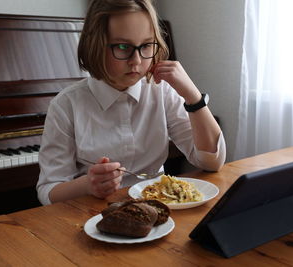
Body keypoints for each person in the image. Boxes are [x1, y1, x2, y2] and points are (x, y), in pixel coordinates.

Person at [36, 0, 226, 206]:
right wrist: (86, 185)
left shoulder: (161, 91)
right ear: (95, 45)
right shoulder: (66, 105)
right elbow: (48, 191)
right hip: (91, 213)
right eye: (123, 47)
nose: (136, 60)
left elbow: (211, 162)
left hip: (156, 206)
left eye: (146, 45)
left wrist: (193, 96)